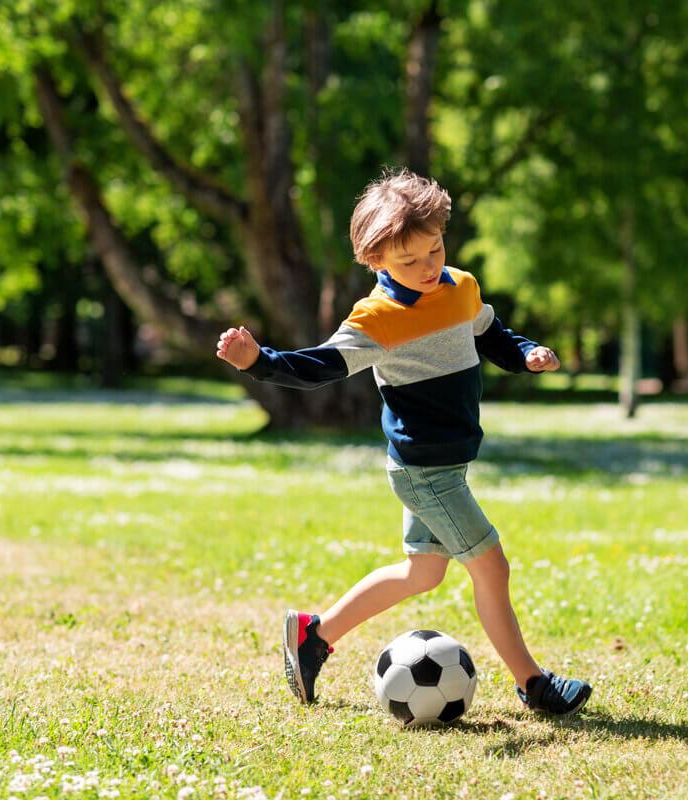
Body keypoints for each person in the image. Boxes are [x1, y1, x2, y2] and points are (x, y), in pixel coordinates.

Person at [215, 168, 591, 716]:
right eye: (407, 262)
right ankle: (533, 684)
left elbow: (491, 333)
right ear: (376, 262)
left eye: (434, 250)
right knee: (492, 566)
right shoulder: (378, 319)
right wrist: (259, 362)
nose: (426, 268)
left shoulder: (460, 287)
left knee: (423, 572)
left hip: (447, 463)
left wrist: (527, 354)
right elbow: (320, 365)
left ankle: (313, 638)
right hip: (423, 470)